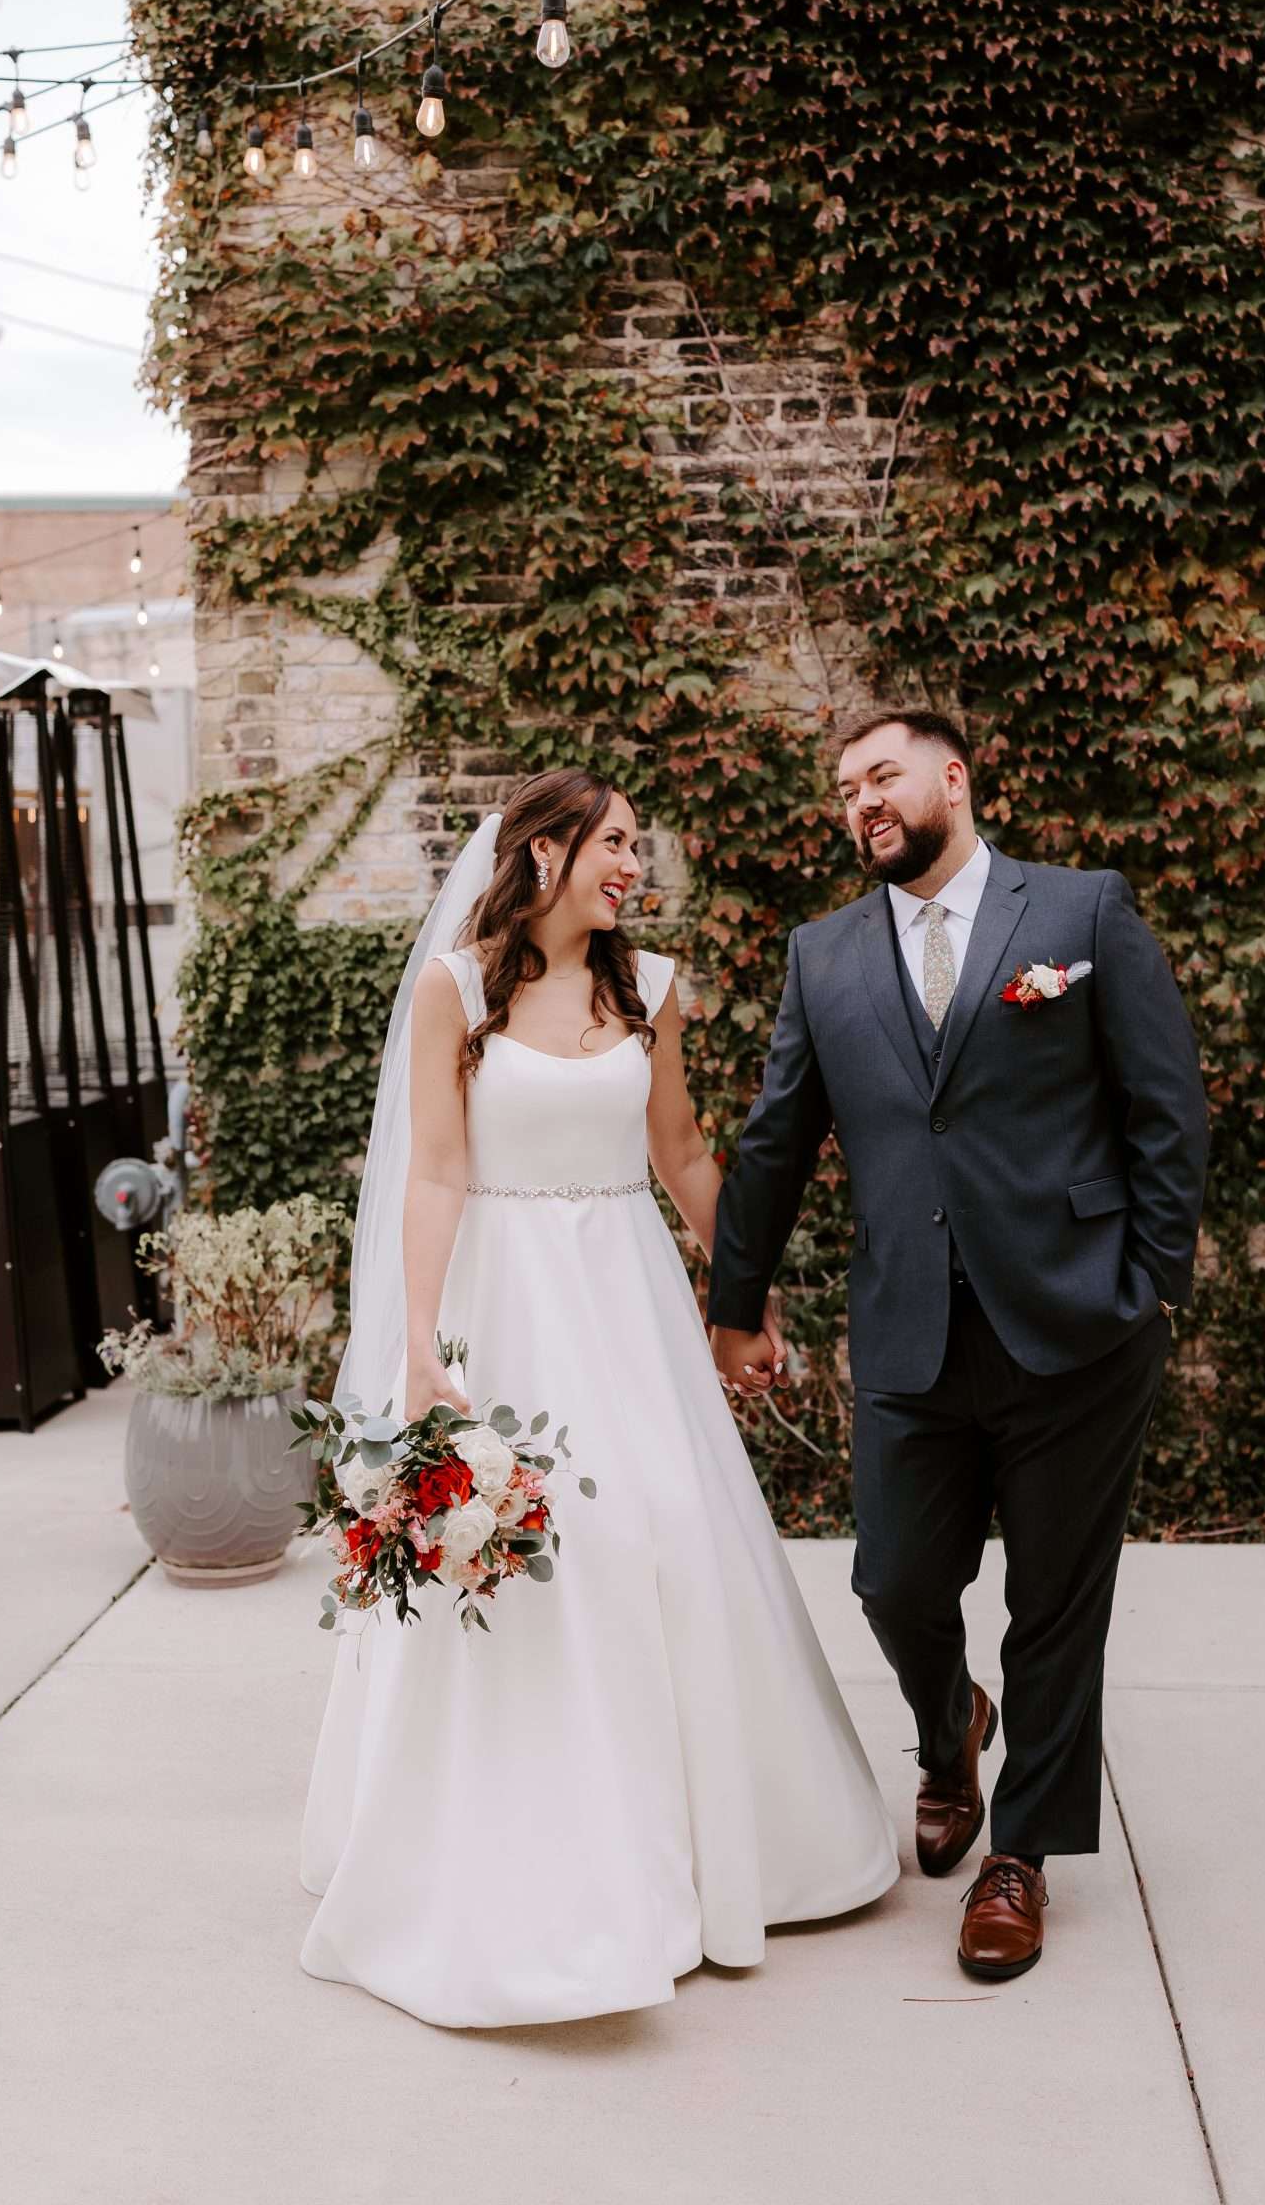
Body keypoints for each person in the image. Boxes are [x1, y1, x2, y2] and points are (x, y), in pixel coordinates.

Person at [299, 771, 898, 2027]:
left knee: (669, 1540)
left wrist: (740, 1296)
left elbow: (680, 1149)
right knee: (546, 1566)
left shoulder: (652, 987)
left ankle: (707, 1848)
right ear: (548, 850)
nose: (635, 862)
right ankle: (538, 1859)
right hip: (506, 1301)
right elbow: (435, 1172)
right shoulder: (453, 989)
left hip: (626, 1304)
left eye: (637, 844)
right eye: (616, 842)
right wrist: (420, 1348)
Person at [708, 709, 1208, 1982]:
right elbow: (775, 1139)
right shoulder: (822, 956)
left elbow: (1166, 1102)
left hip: (1077, 1327)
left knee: (1055, 1603)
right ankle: (952, 1729)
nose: (859, 800)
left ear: (953, 777)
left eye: (882, 776)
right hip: (909, 1332)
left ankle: (1021, 1855)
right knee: (896, 1583)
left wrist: (1149, 1283)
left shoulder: (1080, 913)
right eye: (842, 787)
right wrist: (735, 1298)